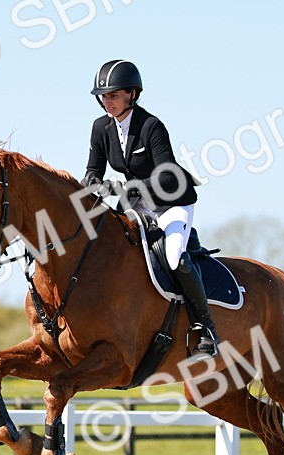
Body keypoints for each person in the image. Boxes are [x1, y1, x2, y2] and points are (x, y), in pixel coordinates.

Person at [83, 59, 220, 358]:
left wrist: (126, 188)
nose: (108, 102)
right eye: (104, 96)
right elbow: (92, 171)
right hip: (137, 205)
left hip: (172, 202)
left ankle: (205, 327)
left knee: (173, 257)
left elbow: (167, 176)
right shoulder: (100, 128)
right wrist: (95, 185)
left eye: (114, 95)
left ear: (132, 94)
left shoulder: (151, 126)